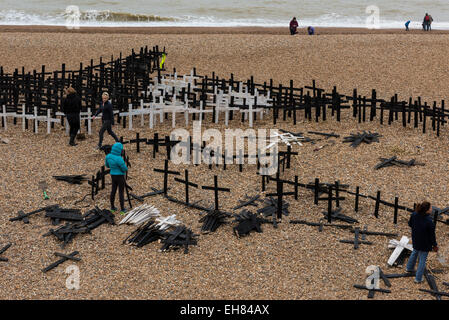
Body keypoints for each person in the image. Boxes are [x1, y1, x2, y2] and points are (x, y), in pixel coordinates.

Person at [405, 201, 438, 283]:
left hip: (416, 239)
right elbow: (432, 236)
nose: (432, 209)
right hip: (425, 243)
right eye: (430, 208)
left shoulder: (414, 214)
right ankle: (418, 278)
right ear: (427, 210)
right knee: (422, 260)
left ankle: (409, 268)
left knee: (415, 252)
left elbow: (410, 224)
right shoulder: (429, 222)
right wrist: (435, 245)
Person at [105, 142, 128, 215]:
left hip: (113, 175)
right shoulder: (119, 159)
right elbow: (124, 169)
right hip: (120, 176)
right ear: (119, 150)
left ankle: (112, 207)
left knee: (113, 191)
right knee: (121, 192)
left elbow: (107, 165)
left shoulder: (108, 156)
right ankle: (122, 209)